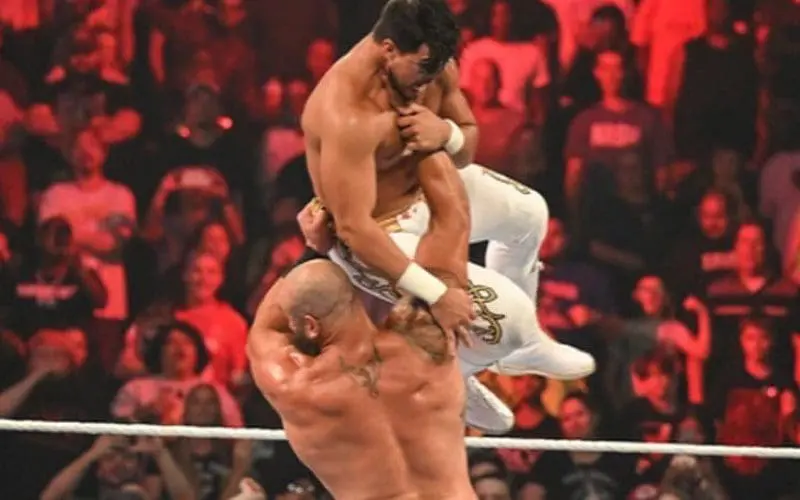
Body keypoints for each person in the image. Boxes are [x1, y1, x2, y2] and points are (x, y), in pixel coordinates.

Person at [302, 0, 594, 432]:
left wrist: (447, 133)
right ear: (388, 50)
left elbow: (468, 141)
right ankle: (452, 372)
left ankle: (517, 350)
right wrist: (437, 295)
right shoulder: (346, 112)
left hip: (426, 186)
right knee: (504, 319)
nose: (430, 80)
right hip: (376, 232)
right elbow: (354, 227)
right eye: (423, 67)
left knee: (529, 212)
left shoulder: (433, 64)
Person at [247, 259, 476, 500]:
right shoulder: (426, 343)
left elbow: (266, 326)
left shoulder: (295, 385)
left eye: (294, 322)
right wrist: (349, 248)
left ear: (310, 325)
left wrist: (316, 248)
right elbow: (440, 275)